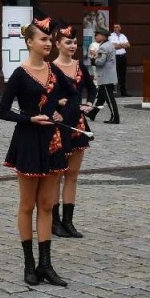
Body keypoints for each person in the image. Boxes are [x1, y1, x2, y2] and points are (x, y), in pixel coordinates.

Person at [0, 12, 70, 286]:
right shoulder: (19, 74)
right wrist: (29, 118)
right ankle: (29, 264)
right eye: (42, 39)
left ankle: (46, 264)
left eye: (50, 39)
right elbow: (2, 111)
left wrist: (64, 112)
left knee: (47, 205)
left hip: (52, 142)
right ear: (29, 42)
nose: (48, 43)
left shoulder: (55, 72)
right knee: (28, 204)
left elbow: (75, 95)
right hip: (28, 141)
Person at [51, 22, 94, 240]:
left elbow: (92, 89)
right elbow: (45, 95)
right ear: (57, 43)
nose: (72, 46)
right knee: (57, 174)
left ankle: (68, 221)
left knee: (72, 175)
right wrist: (58, 102)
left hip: (78, 124)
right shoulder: (51, 68)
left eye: (75, 42)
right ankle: (54, 221)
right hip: (60, 125)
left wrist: (90, 104)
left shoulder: (80, 66)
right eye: (68, 42)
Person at [89, 28, 120, 123]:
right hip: (108, 75)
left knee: (109, 99)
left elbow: (101, 62)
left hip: (105, 76)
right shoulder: (109, 45)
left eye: (97, 35)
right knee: (101, 98)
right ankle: (92, 113)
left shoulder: (104, 47)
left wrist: (93, 60)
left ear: (103, 36)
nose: (96, 37)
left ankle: (115, 117)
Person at [109, 23, 130, 93]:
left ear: (120, 28)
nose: (115, 28)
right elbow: (113, 46)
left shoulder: (123, 36)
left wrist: (119, 45)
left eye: (117, 27)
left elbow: (128, 45)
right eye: (114, 27)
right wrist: (123, 45)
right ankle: (112, 90)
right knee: (114, 73)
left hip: (123, 56)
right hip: (115, 56)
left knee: (122, 74)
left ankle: (123, 91)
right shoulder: (111, 36)